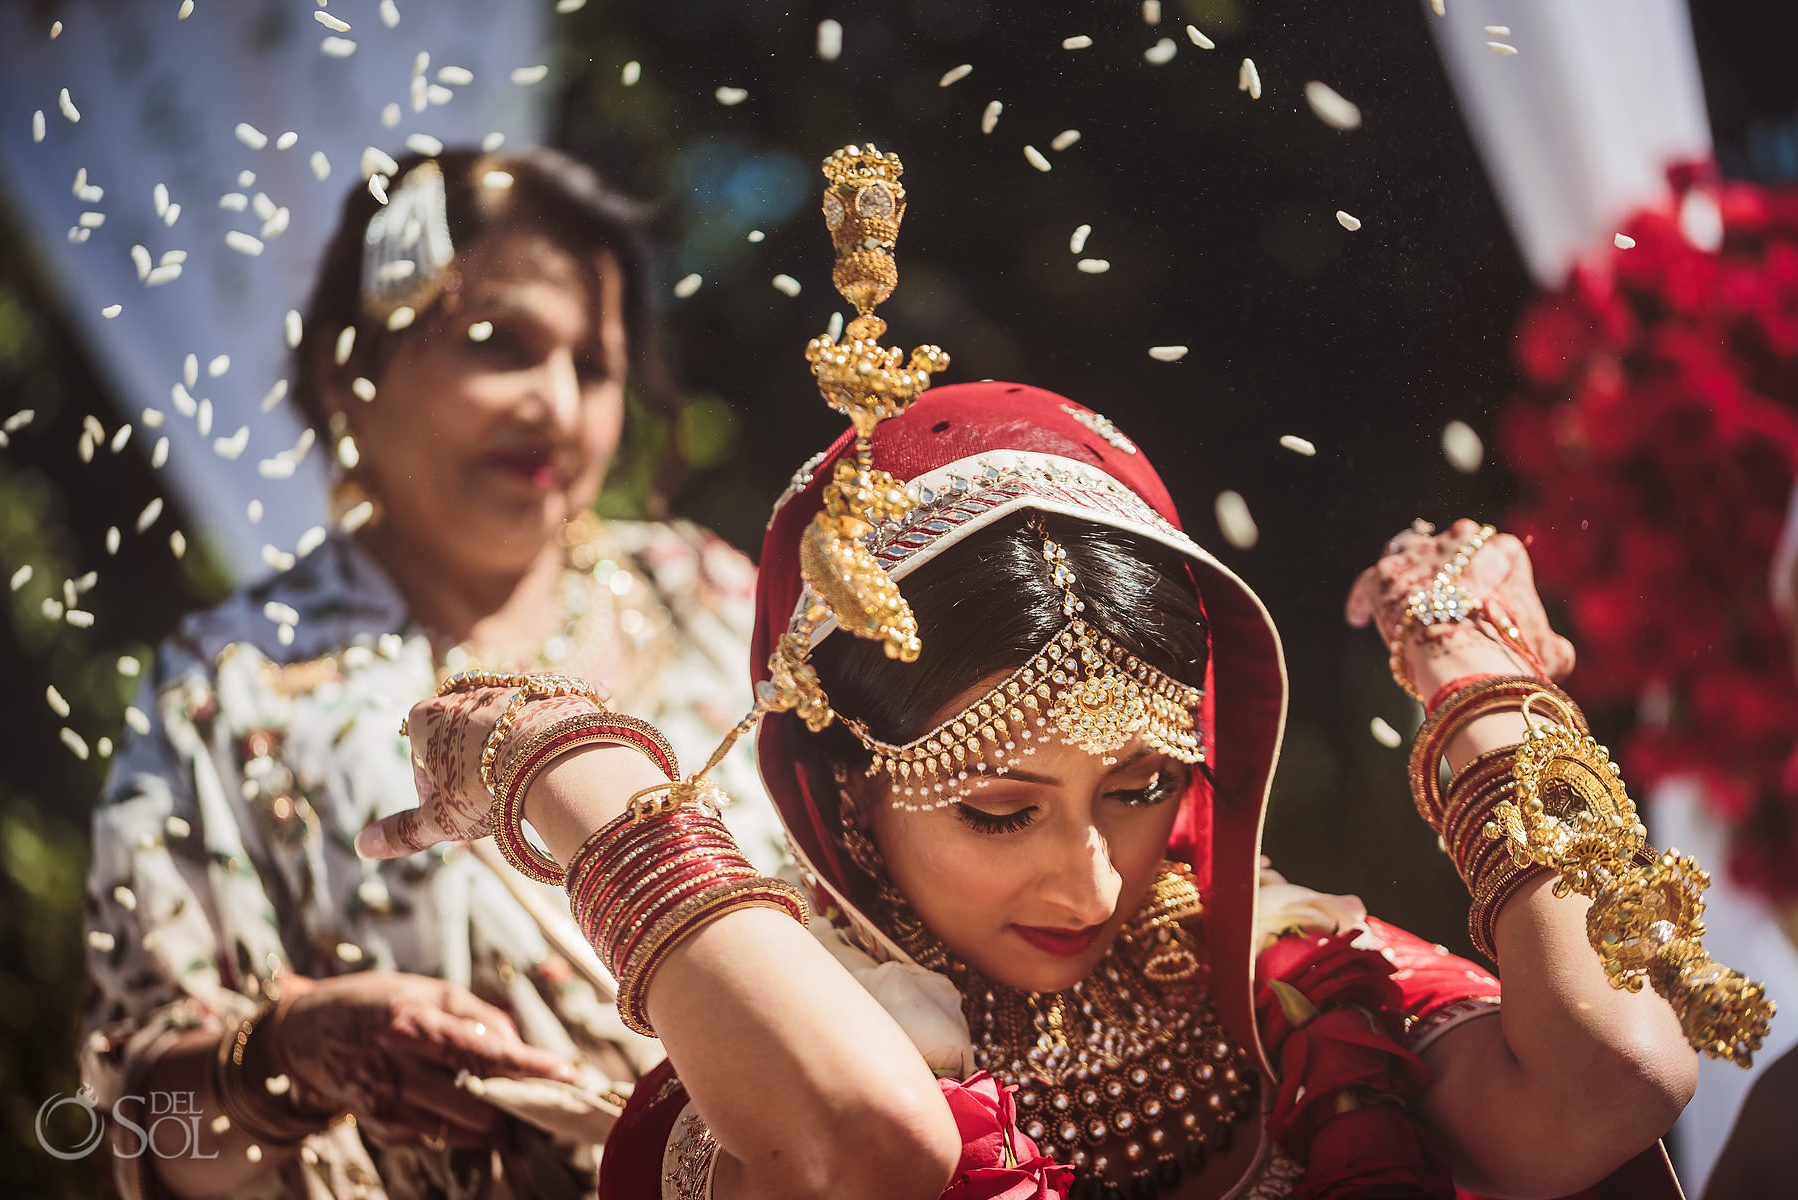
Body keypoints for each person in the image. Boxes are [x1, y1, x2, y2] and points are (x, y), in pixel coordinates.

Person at [362, 144, 1771, 1198]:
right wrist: (562, 755)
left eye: (1145, 785)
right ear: (849, 793)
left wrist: (1477, 684)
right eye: (998, 808)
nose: (1093, 882)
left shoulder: (1281, 984)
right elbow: (875, 1143)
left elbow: (1615, 1076)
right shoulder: (794, 1038)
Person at [79, 146, 785, 1199]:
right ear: (345, 371)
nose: (555, 403)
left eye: (592, 366)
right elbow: (136, 1122)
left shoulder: (712, 598)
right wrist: (287, 1054)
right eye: (499, 344)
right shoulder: (227, 683)